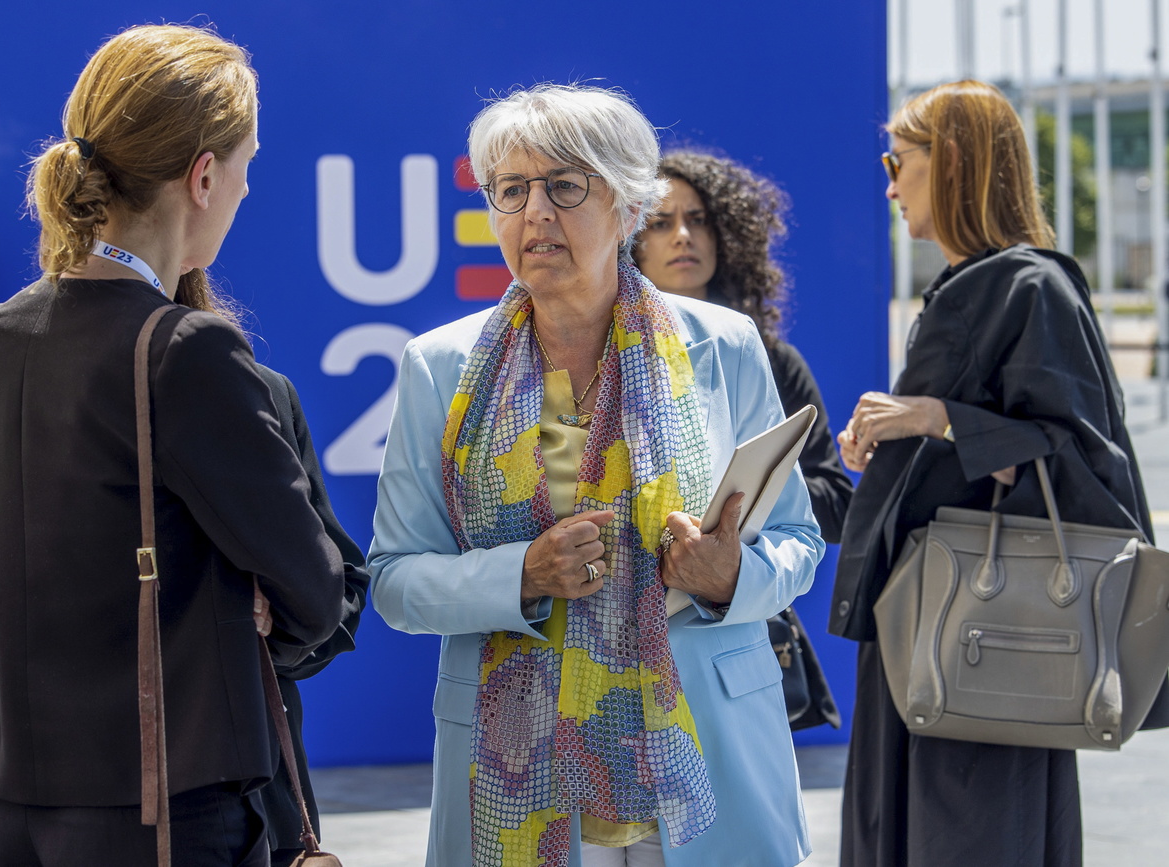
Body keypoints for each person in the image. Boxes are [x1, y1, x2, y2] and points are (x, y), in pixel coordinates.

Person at [0, 24, 349, 866]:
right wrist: (225, 616)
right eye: (248, 165)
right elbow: (316, 593)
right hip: (164, 806)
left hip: (7, 800)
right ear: (204, 175)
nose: (248, 189)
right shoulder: (187, 348)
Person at [368, 83, 824, 867]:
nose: (534, 212)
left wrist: (729, 576)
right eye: (511, 190)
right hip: (521, 769)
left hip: (698, 762)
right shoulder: (441, 368)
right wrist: (522, 573)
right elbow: (394, 579)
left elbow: (798, 542)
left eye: (564, 185)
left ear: (627, 203)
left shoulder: (723, 345)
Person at [830, 80, 1157, 867]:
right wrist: (895, 443)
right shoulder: (972, 284)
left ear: (950, 163)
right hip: (927, 626)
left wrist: (937, 418)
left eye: (897, 159)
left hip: (992, 638)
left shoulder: (1029, 286)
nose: (888, 182)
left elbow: (1086, 467)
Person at [632, 150, 852, 542]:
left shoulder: (775, 360)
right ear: (632, 242)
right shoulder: (604, 355)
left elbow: (836, 504)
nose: (683, 235)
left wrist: (741, 495)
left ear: (724, 237)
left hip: (752, 595)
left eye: (698, 220)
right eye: (661, 223)